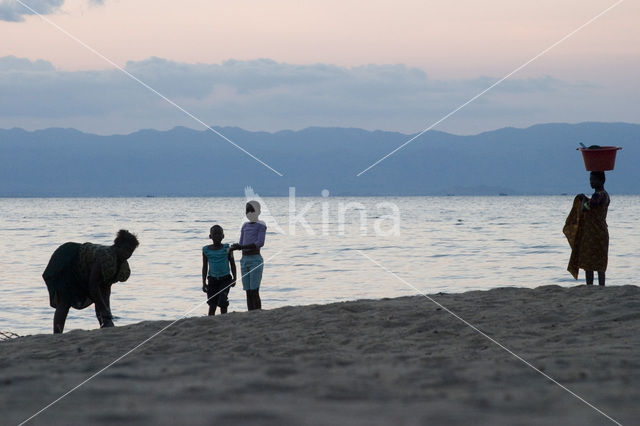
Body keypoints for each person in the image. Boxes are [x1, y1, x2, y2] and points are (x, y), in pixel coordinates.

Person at [43, 229, 140, 334]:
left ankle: (104, 325)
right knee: (65, 300)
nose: (128, 254)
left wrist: (106, 311)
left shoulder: (121, 265)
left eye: (131, 251)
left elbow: (105, 287)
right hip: (68, 259)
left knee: (101, 299)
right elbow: (93, 285)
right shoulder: (105, 257)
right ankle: (57, 333)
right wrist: (103, 309)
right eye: (126, 249)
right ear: (118, 246)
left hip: (83, 268)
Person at [563, 171, 610, 285]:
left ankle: (590, 286)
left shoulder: (598, 195)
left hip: (593, 234)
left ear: (600, 181)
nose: (591, 182)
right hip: (601, 232)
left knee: (589, 263)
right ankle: (601, 286)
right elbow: (593, 204)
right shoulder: (605, 195)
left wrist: (583, 198)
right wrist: (586, 198)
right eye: (590, 180)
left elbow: (586, 207)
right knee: (599, 263)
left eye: (593, 180)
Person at [230, 201, 266, 311]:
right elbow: (241, 243)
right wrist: (235, 247)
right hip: (244, 260)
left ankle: (258, 312)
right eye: (247, 211)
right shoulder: (244, 225)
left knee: (255, 290)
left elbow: (260, 243)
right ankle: (251, 312)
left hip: (255, 260)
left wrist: (241, 247)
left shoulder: (261, 225)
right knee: (248, 290)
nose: (250, 213)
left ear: (259, 212)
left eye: (252, 210)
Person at [202, 225, 236, 315]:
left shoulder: (227, 248)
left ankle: (224, 319)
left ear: (223, 236)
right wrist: (204, 282)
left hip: (225, 279)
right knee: (212, 304)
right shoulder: (206, 250)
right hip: (212, 279)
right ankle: (210, 320)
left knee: (223, 301)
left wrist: (235, 278)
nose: (217, 236)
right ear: (210, 236)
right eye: (214, 234)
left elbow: (232, 263)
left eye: (219, 234)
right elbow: (205, 266)